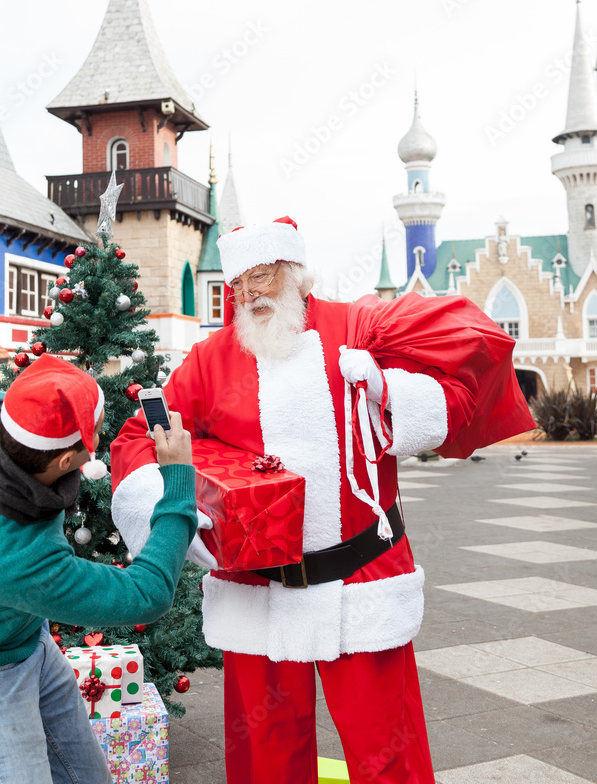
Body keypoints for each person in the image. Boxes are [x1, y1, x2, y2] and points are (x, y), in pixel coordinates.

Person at [110, 216, 535, 784]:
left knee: (389, 755)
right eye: (237, 285)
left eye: (260, 277)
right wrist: (182, 522)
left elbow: (456, 379)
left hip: (361, 579)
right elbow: (138, 436)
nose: (249, 295)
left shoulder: (359, 329)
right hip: (257, 589)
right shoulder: (213, 360)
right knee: (266, 758)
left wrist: (388, 390)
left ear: (297, 275)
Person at [0, 354, 196, 784]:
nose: (101, 431)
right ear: (64, 463)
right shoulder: (15, 559)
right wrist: (180, 480)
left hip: (22, 634)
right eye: (96, 431)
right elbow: (148, 593)